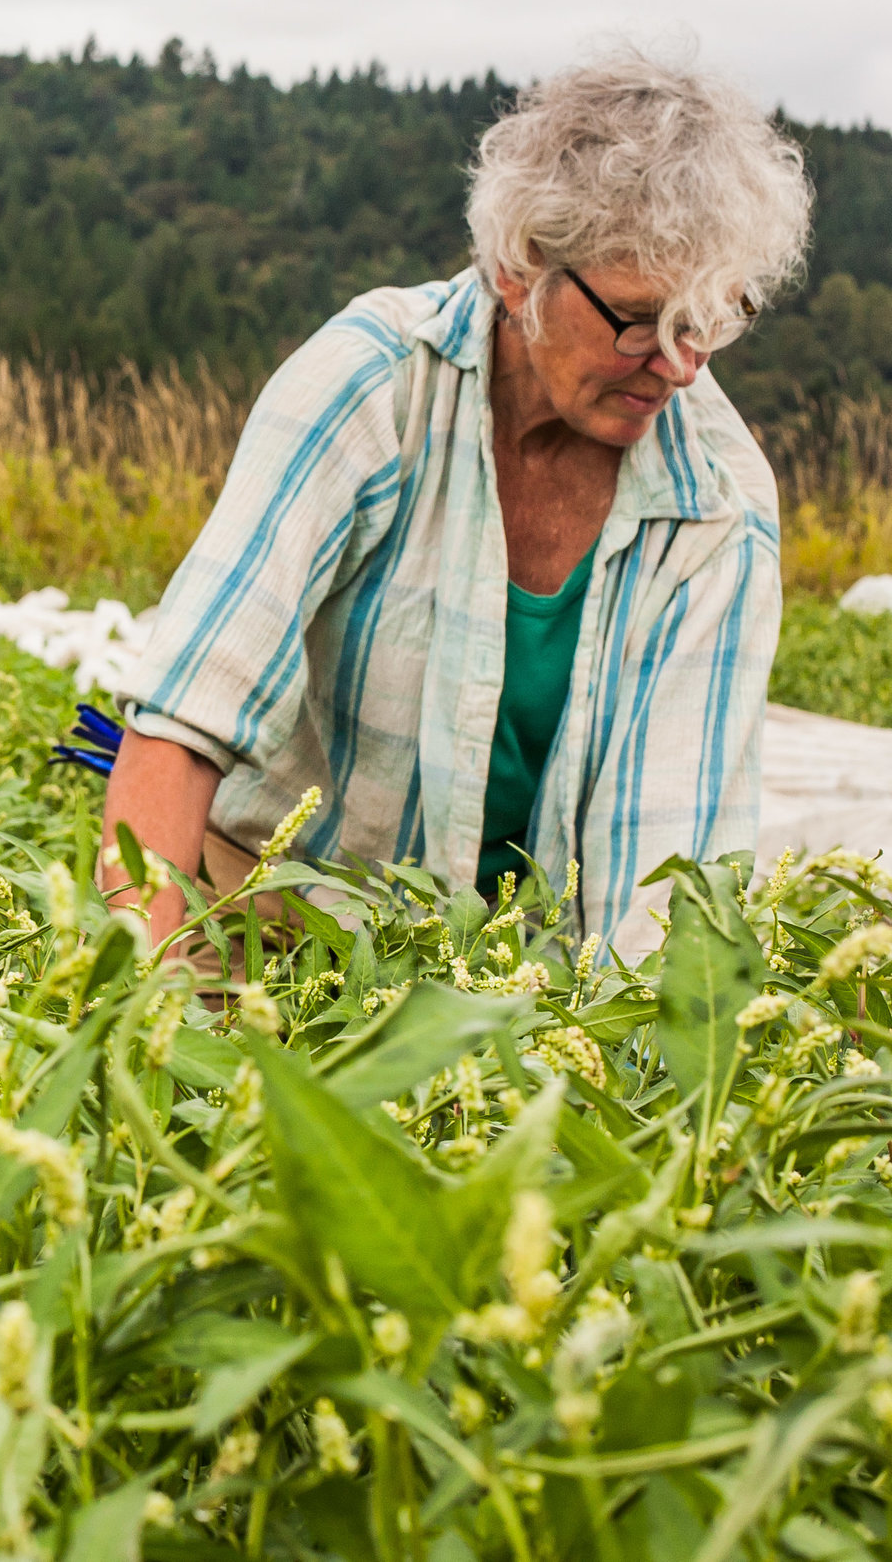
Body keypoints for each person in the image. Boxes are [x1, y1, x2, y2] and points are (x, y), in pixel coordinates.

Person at [102, 46, 813, 951]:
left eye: (709, 319)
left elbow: (661, 887)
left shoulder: (717, 503)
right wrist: (139, 998)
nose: (678, 365)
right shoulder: (373, 386)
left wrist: (602, 1065)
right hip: (268, 909)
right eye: (639, 318)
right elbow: (187, 717)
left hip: (506, 976)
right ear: (520, 269)